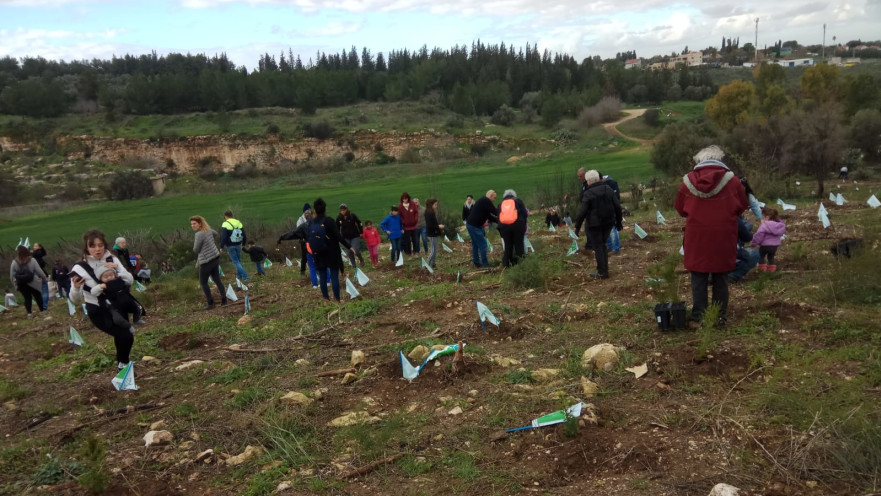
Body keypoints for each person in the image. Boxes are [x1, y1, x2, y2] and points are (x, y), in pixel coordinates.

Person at [674, 145, 748, 327]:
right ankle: (719, 317)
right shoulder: (733, 182)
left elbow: (679, 208)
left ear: (699, 161)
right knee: (721, 277)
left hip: (697, 236)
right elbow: (742, 205)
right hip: (724, 235)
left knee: (698, 277)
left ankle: (699, 316)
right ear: (720, 161)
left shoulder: (687, 182)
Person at [69, 230, 136, 370]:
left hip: (118, 305)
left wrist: (119, 269)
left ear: (105, 245)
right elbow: (74, 299)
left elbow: (130, 281)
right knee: (126, 335)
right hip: (98, 309)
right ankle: (123, 365)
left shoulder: (112, 259)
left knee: (121, 338)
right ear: (87, 248)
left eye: (100, 245)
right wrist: (76, 287)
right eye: (92, 246)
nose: (97, 249)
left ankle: (122, 365)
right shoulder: (79, 268)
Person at [574, 170, 623, 279]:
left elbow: (582, 212)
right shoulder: (608, 189)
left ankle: (602, 272)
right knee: (603, 245)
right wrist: (618, 222)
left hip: (594, 225)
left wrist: (577, 227)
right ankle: (604, 271)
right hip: (608, 222)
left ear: (589, 181)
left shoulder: (588, 193)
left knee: (598, 247)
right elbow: (617, 206)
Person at [308, 198, 351, 303]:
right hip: (332, 252)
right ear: (325, 208)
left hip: (318, 253)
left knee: (322, 276)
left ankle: (326, 299)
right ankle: (337, 299)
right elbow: (339, 237)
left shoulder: (311, 223)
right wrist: (349, 247)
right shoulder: (329, 221)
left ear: (315, 209)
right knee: (334, 276)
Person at [91, 266, 146, 330]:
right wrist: (100, 287)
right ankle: (128, 327)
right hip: (115, 305)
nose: (109, 277)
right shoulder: (102, 285)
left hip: (127, 300)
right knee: (118, 319)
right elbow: (93, 292)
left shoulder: (119, 280)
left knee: (138, 309)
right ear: (100, 278)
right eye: (105, 277)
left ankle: (136, 319)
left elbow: (129, 280)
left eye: (111, 275)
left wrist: (119, 274)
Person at [190, 216, 228, 310]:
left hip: (206, 261)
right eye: (191, 224)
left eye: (194, 223)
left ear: (200, 224)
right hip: (215, 257)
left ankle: (210, 303)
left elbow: (196, 249)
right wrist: (209, 242)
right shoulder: (209, 230)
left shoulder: (199, 234)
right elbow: (215, 234)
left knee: (203, 283)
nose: (192, 226)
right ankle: (224, 300)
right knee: (217, 280)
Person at [278, 214, 324, 289]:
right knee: (322, 265)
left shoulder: (303, 226)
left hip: (309, 249)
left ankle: (315, 284)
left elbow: (293, 234)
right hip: (319, 248)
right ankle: (326, 281)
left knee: (312, 267)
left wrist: (282, 237)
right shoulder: (320, 224)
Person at [10, 245, 48, 318]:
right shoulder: (32, 260)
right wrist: (44, 278)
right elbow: (39, 270)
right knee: (37, 296)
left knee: (27, 298)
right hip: (33, 282)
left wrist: (15, 285)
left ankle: (29, 313)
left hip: (21, 283)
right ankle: (42, 311)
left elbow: (12, 276)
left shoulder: (14, 262)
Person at [466, 190, 499, 268]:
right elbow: (495, 212)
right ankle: (485, 264)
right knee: (483, 244)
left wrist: (498, 221)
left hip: (473, 225)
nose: (494, 200)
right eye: (494, 198)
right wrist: (503, 215)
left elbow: (489, 216)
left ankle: (476, 262)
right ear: (490, 196)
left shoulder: (483, 202)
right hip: (474, 226)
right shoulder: (486, 201)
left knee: (476, 244)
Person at [497, 189, 529, 267]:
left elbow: (498, 217)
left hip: (504, 226)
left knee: (508, 245)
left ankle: (506, 264)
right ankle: (520, 264)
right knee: (519, 244)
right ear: (514, 195)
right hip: (518, 225)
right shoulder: (518, 201)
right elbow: (525, 214)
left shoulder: (500, 204)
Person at [752, 207, 787, 272]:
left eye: (763, 217)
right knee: (771, 257)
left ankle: (762, 270)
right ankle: (772, 270)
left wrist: (754, 243)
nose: (762, 219)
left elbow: (759, 234)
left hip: (765, 245)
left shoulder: (765, 225)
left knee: (761, 256)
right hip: (774, 246)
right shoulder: (780, 225)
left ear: (767, 217)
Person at [728, 216, 760, 283]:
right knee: (755, 254)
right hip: (727, 254)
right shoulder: (733, 218)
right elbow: (747, 237)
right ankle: (733, 275)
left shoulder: (704, 217)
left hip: (706, 261)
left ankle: (710, 275)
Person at [597, 172, 622, 254]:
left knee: (612, 228)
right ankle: (609, 246)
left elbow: (616, 197)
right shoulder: (600, 185)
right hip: (602, 211)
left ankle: (616, 248)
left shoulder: (611, 183)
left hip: (611, 209)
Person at [220, 210, 249, 282]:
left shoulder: (225, 224)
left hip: (230, 245)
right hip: (239, 244)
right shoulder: (238, 222)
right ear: (232, 215)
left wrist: (221, 246)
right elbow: (244, 234)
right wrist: (244, 243)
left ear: (226, 216)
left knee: (236, 262)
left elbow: (224, 237)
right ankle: (239, 277)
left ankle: (246, 276)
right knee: (238, 261)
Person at [424, 198, 445, 268]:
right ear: (431, 205)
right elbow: (430, 225)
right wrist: (439, 226)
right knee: (433, 250)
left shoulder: (431, 212)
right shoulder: (429, 213)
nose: (436, 206)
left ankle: (433, 264)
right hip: (432, 234)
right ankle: (426, 266)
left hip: (434, 233)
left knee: (435, 249)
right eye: (435, 204)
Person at [31, 242, 50, 309]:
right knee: (45, 291)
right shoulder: (41, 253)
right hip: (42, 274)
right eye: (34, 246)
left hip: (38, 275)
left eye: (36, 246)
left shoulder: (35, 255)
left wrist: (31, 253)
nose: (34, 247)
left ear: (39, 247)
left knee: (42, 291)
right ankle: (45, 305)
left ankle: (43, 305)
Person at [296, 203, 312, 277]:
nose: (309, 213)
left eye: (309, 211)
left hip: (311, 240)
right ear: (304, 212)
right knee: (304, 257)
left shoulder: (312, 219)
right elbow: (298, 231)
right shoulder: (300, 220)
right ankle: (302, 272)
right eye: (307, 212)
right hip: (304, 241)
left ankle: (316, 271)